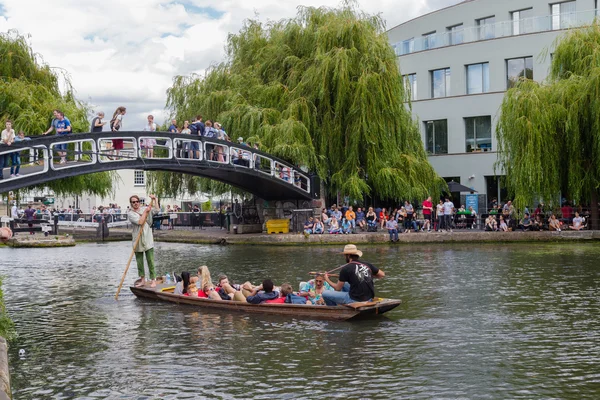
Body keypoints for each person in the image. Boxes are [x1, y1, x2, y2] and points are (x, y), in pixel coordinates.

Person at [128, 194, 160, 288]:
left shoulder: (144, 208)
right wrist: (146, 211)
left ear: (139, 202)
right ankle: (142, 280)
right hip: (137, 240)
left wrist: (155, 199)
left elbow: (157, 210)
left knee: (150, 260)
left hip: (148, 238)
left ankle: (153, 280)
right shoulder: (131, 214)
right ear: (131, 203)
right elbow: (140, 222)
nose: (136, 203)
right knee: (140, 262)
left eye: (137, 201)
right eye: (133, 202)